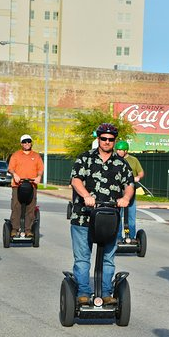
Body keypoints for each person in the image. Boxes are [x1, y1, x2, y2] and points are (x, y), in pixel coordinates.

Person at [69, 123, 134, 304]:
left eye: (110, 139)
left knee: (108, 258)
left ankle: (106, 294)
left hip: (109, 218)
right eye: (103, 138)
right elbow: (76, 180)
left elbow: (129, 185)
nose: (107, 142)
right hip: (83, 216)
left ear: (114, 141)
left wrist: (126, 198)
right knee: (82, 258)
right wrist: (86, 196)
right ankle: (82, 293)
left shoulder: (121, 163)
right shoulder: (85, 158)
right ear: (98, 139)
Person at [7, 134, 44, 237]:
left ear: (31, 143)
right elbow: (10, 168)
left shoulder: (36, 156)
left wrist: (38, 177)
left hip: (32, 185)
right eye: (24, 142)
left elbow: (40, 169)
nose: (26, 143)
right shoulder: (16, 155)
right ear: (21, 144)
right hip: (17, 185)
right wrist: (15, 175)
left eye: (28, 141)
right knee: (16, 206)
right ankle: (14, 229)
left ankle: (28, 230)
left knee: (31, 208)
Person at [114, 140, 144, 240]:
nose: (118, 152)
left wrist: (138, 177)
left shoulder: (133, 160)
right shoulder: (114, 160)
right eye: (117, 150)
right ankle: (118, 237)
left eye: (121, 150)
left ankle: (131, 238)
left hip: (130, 193)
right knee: (118, 216)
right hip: (118, 193)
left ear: (126, 151)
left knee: (131, 217)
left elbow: (141, 172)